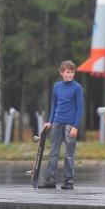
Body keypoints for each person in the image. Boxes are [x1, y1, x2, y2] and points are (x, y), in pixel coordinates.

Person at [39, 60, 84, 190]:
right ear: (61, 73)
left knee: (69, 154)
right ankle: (51, 180)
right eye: (67, 72)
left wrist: (75, 126)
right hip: (57, 122)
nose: (70, 75)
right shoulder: (57, 87)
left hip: (70, 124)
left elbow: (80, 108)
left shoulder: (77, 88)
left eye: (72, 72)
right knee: (53, 152)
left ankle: (69, 181)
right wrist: (50, 121)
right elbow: (54, 105)